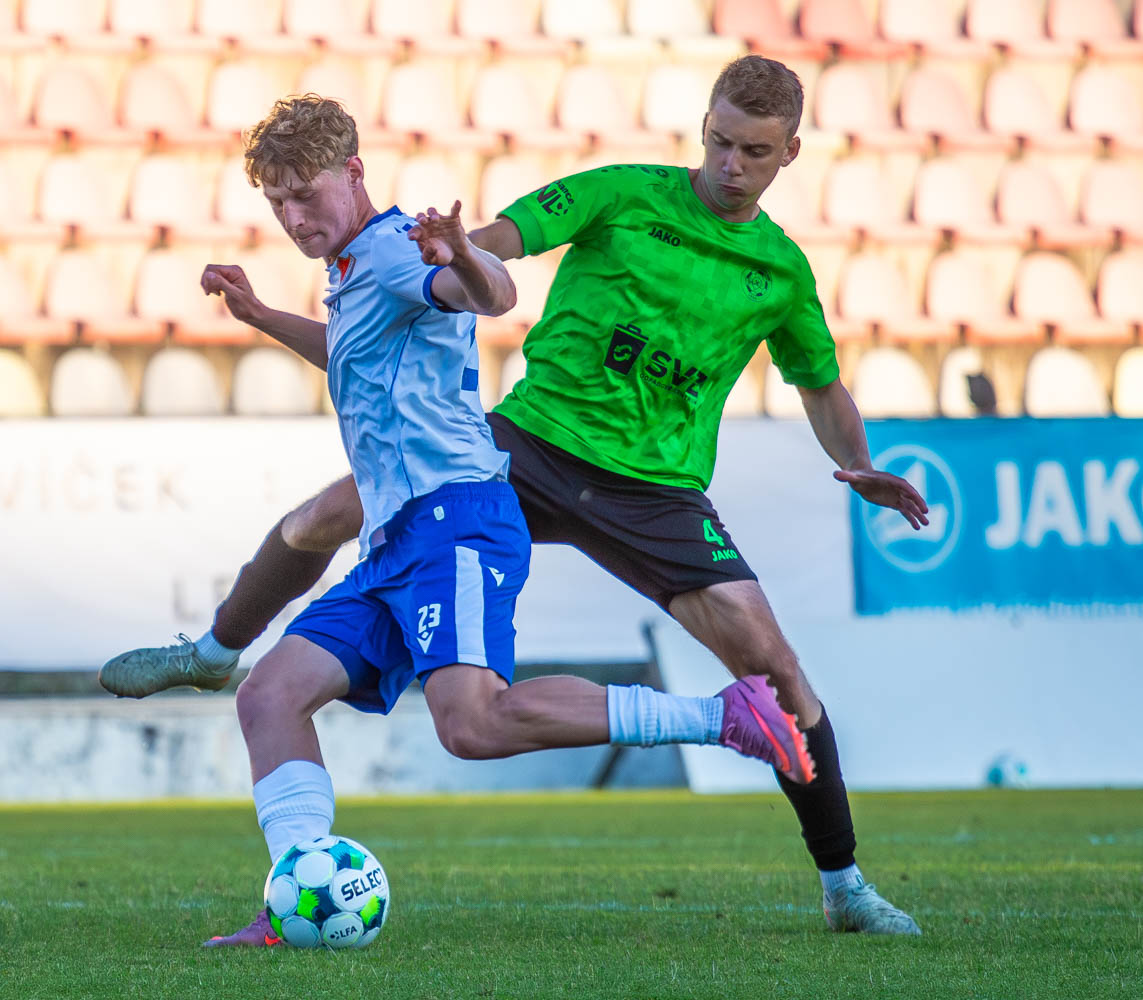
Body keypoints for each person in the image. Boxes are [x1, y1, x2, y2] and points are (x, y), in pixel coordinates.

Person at [102, 58, 928, 937]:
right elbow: (502, 241)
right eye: (719, 142)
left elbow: (819, 385)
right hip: (527, 446)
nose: (730, 164)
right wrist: (454, 253)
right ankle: (217, 653)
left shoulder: (782, 271)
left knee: (777, 674)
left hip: (655, 489)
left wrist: (857, 462)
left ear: (788, 153)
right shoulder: (619, 193)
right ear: (702, 129)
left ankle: (844, 885)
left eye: (753, 152)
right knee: (327, 516)